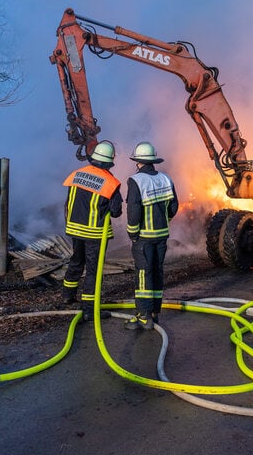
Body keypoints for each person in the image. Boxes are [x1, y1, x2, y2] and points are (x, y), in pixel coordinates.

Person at [61, 140, 123, 322]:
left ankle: (67, 295)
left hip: (74, 228)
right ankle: (89, 309)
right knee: (93, 270)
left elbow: (69, 202)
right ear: (109, 162)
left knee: (76, 261)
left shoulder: (76, 174)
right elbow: (116, 211)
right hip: (94, 233)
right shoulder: (111, 183)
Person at [124, 141, 178, 331]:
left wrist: (132, 232)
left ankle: (143, 316)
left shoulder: (136, 181)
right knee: (157, 271)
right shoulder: (165, 178)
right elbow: (173, 207)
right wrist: (165, 221)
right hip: (162, 236)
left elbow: (134, 211)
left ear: (138, 161)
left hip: (144, 238)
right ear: (153, 160)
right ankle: (155, 313)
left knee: (143, 274)